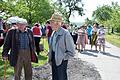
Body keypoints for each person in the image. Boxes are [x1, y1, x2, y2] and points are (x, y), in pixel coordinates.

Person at [48, 13, 75, 80]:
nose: (50, 24)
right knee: (55, 77)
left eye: (51, 22)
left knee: (61, 78)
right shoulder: (53, 32)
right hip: (54, 58)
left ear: (57, 23)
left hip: (62, 60)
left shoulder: (65, 33)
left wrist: (62, 57)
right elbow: (52, 45)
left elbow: (72, 52)